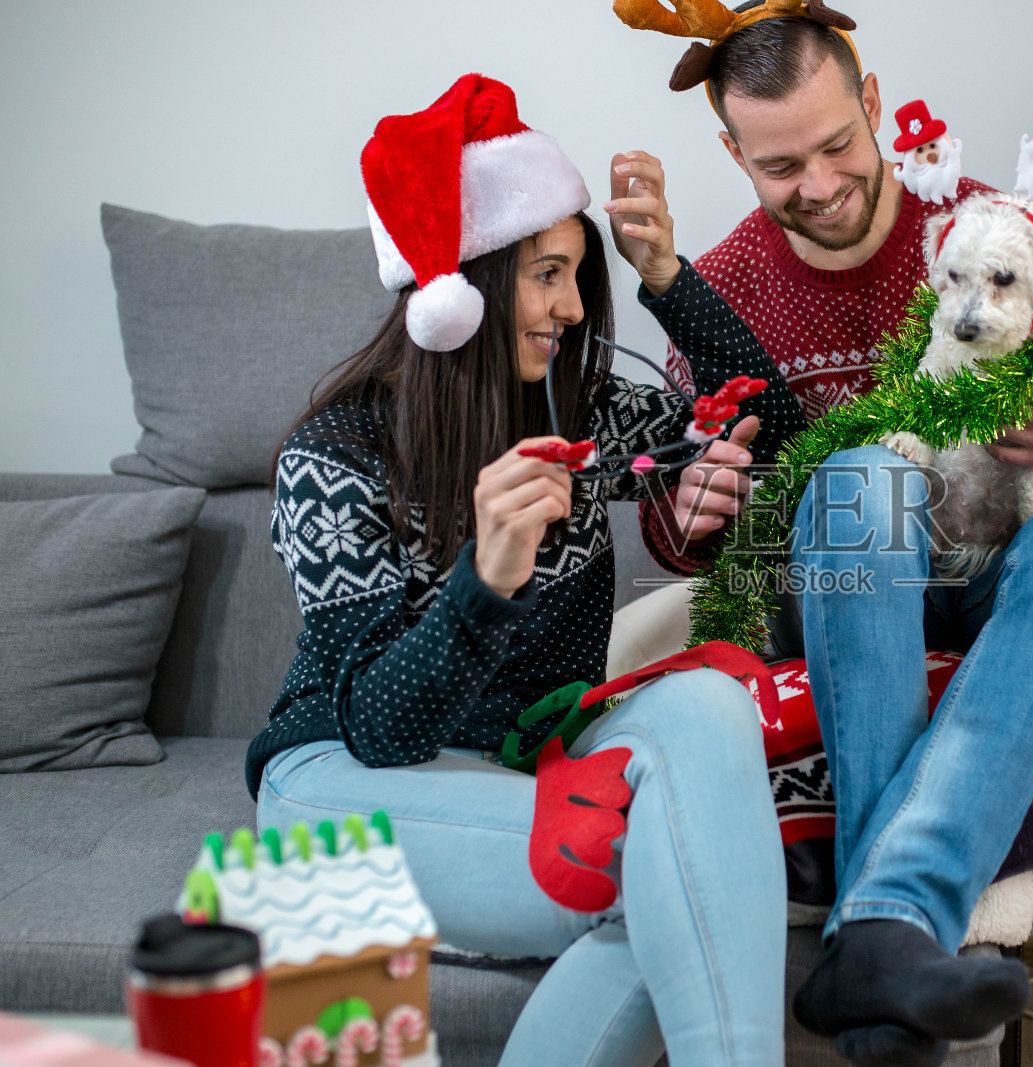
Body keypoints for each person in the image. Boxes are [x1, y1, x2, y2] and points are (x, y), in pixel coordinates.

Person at [612, 7, 1033, 1065]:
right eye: (781, 166)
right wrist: (689, 508)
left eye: (837, 145)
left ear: (872, 103)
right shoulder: (724, 286)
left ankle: (875, 950)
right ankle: (898, 921)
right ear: (733, 154)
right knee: (866, 474)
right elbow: (677, 528)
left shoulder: (993, 233)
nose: (820, 184)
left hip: (995, 583)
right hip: (834, 593)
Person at [244, 74, 805, 1067]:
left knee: (708, 706)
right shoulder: (334, 458)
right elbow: (380, 728)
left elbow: (781, 426)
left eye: (577, 275)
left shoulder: (580, 420)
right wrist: (485, 582)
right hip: (342, 780)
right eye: (548, 274)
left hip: (528, 763)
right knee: (685, 874)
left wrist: (666, 275)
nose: (574, 307)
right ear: (465, 286)